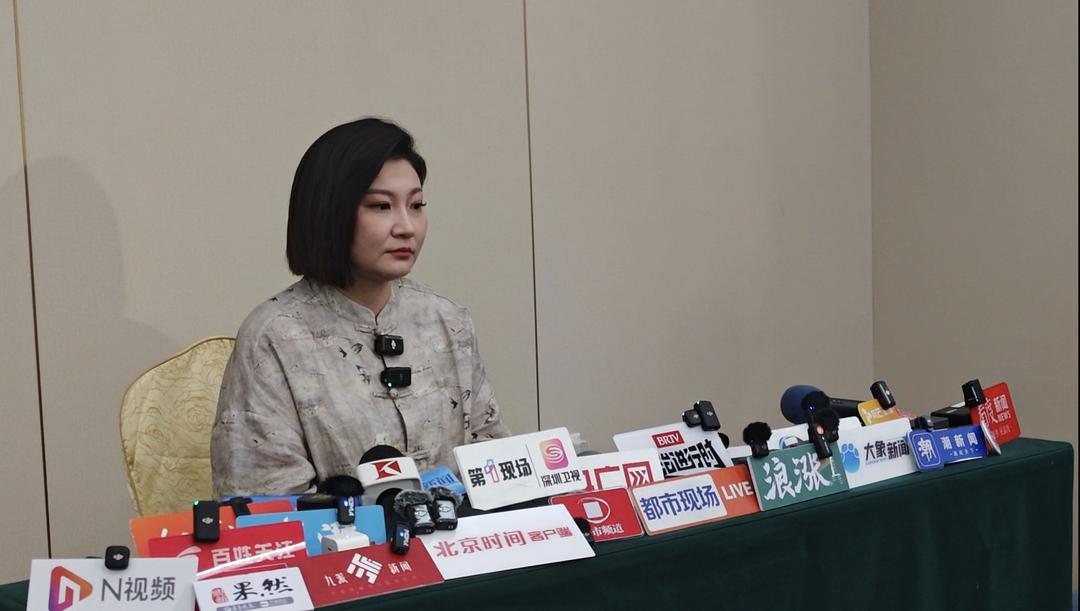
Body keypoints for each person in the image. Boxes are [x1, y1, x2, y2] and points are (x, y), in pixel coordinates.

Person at [211, 117, 510, 497]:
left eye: (416, 205)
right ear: (329, 213)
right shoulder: (276, 335)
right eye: (382, 206)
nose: (407, 227)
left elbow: (494, 462)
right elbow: (266, 502)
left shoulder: (447, 320)